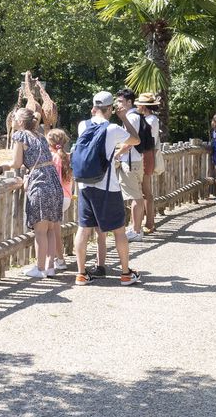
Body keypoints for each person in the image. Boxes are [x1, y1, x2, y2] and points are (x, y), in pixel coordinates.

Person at [75, 91, 141, 286]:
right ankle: (126, 273)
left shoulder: (82, 126)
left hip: (85, 185)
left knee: (83, 229)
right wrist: (123, 118)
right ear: (111, 108)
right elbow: (135, 140)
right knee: (119, 231)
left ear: (94, 107)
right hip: (107, 187)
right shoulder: (112, 129)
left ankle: (81, 274)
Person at [0, 108, 64, 278]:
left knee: (40, 231)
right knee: (50, 228)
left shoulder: (20, 136)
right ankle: (50, 267)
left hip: (40, 183)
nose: (11, 119)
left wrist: (3, 166)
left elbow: (16, 162)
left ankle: (40, 268)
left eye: (14, 117)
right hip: (53, 182)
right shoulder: (41, 136)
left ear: (20, 122)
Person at [115, 88, 146, 242]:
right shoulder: (136, 116)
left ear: (129, 102)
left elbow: (129, 142)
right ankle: (136, 227)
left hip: (130, 161)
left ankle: (136, 230)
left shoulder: (131, 117)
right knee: (137, 196)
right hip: (135, 160)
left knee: (136, 197)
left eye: (120, 101)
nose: (118, 104)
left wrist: (116, 154)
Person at [46, 128, 72, 271]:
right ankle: (57, 259)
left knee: (53, 231)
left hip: (56, 197)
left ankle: (59, 260)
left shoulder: (52, 158)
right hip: (66, 197)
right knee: (55, 229)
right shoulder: (67, 157)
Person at [135, 92, 161, 233]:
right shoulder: (149, 119)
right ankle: (148, 221)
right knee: (144, 190)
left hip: (146, 153)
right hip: (146, 153)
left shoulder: (150, 120)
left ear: (143, 106)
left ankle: (149, 222)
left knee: (145, 190)